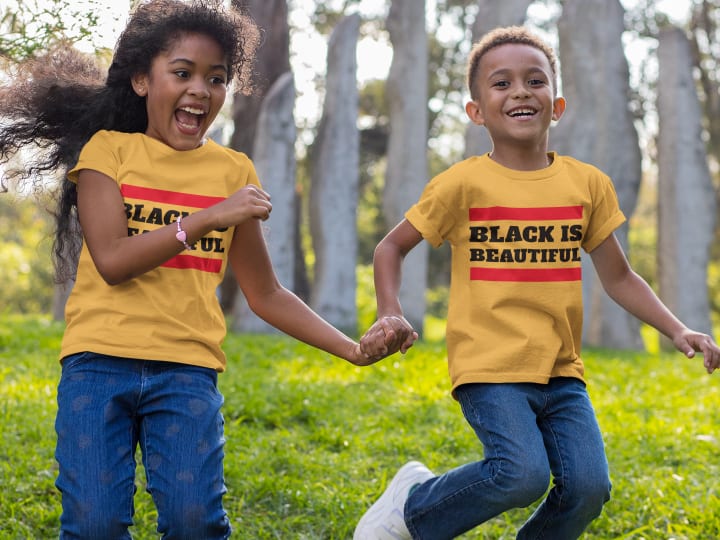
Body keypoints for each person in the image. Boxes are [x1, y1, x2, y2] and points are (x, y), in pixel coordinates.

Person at [0, 0, 412, 537]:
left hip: (187, 371)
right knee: (94, 524)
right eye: (182, 73)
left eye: (216, 79)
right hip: (98, 365)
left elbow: (265, 294)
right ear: (143, 82)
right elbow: (114, 260)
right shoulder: (108, 153)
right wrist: (209, 217)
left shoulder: (230, 170)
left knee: (196, 522)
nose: (200, 89)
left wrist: (353, 350)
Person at [353, 25, 720, 540]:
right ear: (476, 110)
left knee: (588, 488)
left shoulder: (587, 184)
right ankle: (412, 510)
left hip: (561, 370)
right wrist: (389, 308)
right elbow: (390, 247)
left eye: (535, 80)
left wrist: (678, 329)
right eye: (501, 84)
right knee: (521, 475)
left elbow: (619, 276)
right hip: (489, 365)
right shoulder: (463, 183)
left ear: (557, 104)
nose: (521, 91)